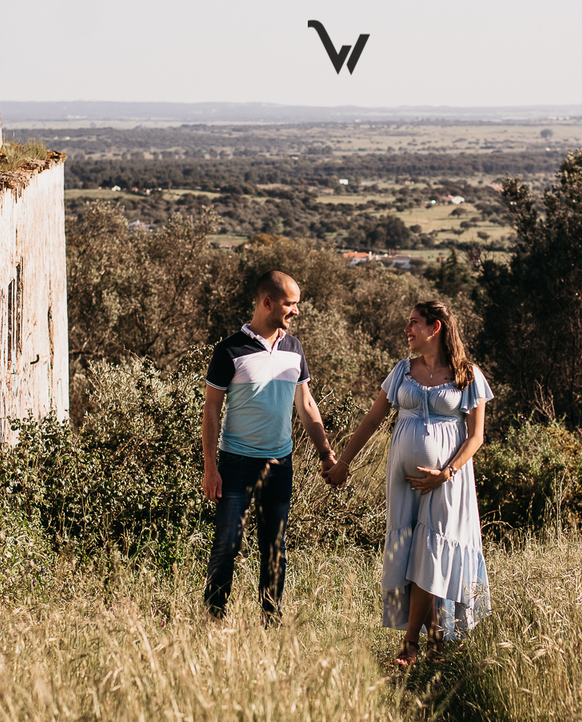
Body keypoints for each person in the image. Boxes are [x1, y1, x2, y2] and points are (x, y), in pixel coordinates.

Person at [324, 300, 492, 666]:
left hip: (447, 480)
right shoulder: (402, 371)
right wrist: (344, 463)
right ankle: (433, 644)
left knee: (431, 553)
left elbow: (476, 436)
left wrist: (446, 472)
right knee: (414, 553)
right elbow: (372, 419)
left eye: (413, 323)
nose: (407, 329)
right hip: (402, 484)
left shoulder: (468, 375)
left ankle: (410, 646)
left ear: (435, 328)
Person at [202, 270, 337, 624]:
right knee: (226, 545)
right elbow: (211, 410)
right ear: (267, 303)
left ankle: (271, 620)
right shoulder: (229, 349)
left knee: (274, 548)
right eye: (290, 304)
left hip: (280, 465)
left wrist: (325, 453)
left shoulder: (294, 349)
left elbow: (306, 404)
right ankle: (214, 618)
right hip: (235, 464)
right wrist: (210, 467)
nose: (296, 311)